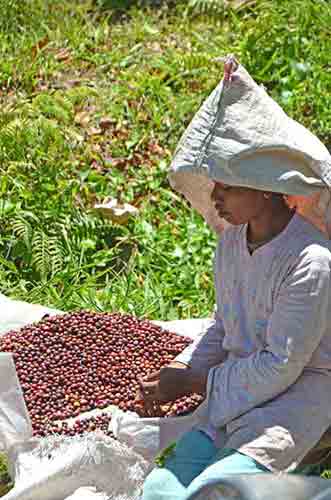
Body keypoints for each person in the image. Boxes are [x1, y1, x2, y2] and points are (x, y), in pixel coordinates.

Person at [137, 57, 331, 500]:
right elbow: (224, 325)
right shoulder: (231, 243)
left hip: (293, 400)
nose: (215, 198)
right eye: (214, 186)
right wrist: (183, 368)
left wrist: (194, 383)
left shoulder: (310, 260)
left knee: (215, 494)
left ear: (265, 187)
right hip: (231, 399)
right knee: (159, 493)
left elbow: (281, 366)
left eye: (227, 187)